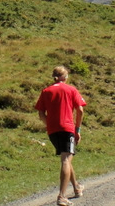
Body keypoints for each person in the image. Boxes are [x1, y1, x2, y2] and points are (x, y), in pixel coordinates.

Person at [35, 65, 86, 206]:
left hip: (52, 131)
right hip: (67, 128)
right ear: (65, 77)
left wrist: (48, 124)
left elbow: (40, 113)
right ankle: (62, 196)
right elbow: (80, 110)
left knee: (67, 157)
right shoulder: (71, 89)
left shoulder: (46, 91)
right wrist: (78, 129)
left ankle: (76, 187)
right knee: (66, 159)